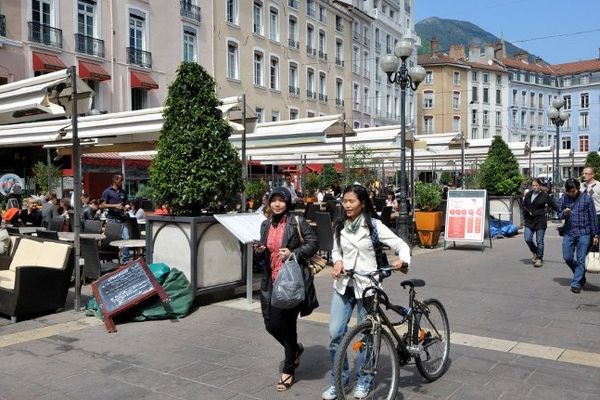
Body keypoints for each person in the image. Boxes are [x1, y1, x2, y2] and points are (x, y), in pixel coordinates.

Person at [322, 184, 411, 400]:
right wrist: (338, 262)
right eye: (345, 201)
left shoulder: (374, 226)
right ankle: (339, 380)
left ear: (362, 204)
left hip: (367, 286)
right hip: (344, 285)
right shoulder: (339, 224)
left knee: (368, 336)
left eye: (352, 201)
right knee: (335, 334)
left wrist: (403, 260)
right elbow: (336, 250)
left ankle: (365, 379)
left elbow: (401, 244)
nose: (347, 205)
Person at [254, 187, 319, 392]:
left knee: (288, 326)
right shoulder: (265, 224)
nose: (277, 204)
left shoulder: (297, 221)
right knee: (271, 325)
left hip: (291, 281)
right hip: (271, 281)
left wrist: (294, 252)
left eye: (281, 200)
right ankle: (295, 349)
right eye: (274, 200)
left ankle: (288, 369)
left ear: (288, 202)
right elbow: (263, 254)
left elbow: (313, 243)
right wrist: (259, 251)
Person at [558, 178, 599, 293]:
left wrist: (595, 234)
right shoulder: (564, 198)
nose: (572, 193)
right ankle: (581, 277)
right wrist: (564, 213)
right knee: (567, 257)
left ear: (578, 188)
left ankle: (576, 283)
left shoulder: (587, 198)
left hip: (584, 233)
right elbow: (558, 214)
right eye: (569, 191)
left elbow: (593, 217)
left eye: (574, 191)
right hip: (569, 232)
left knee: (581, 259)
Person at [522, 178, 559, 268]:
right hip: (529, 220)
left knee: (540, 241)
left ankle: (539, 258)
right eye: (533, 186)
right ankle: (535, 251)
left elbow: (553, 205)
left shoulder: (544, 196)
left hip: (540, 221)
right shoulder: (528, 195)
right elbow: (523, 205)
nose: (535, 187)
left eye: (536, 185)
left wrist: (561, 212)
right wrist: (528, 211)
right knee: (527, 238)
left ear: (540, 186)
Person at [100, 174, 130, 263]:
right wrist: (115, 205)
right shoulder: (107, 192)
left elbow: (125, 203)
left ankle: (126, 261)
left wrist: (126, 207)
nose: (122, 182)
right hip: (112, 219)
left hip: (122, 219)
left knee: (126, 238)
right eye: (120, 180)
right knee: (111, 240)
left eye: (122, 180)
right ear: (115, 180)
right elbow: (101, 205)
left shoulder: (123, 192)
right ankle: (109, 260)